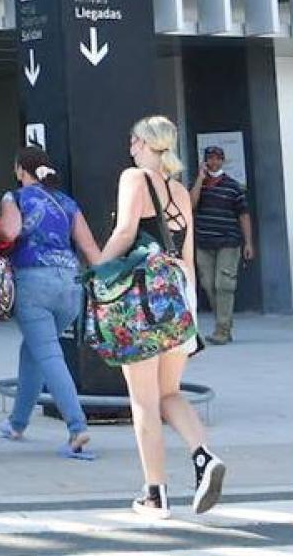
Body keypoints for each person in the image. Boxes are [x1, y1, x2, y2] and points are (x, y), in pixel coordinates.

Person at [98, 116, 226, 519]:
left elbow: (124, 233)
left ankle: (155, 495)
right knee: (170, 392)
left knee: (143, 400)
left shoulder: (134, 178)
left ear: (139, 142)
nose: (130, 148)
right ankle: (203, 455)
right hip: (178, 295)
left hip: (142, 297)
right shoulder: (179, 192)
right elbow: (187, 259)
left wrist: (94, 270)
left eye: (132, 141)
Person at [0, 146, 101, 460]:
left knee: (49, 354)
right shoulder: (67, 201)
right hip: (70, 285)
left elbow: (10, 231)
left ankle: (76, 427)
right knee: (34, 350)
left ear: (19, 170)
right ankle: (17, 423)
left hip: (34, 283)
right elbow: (90, 248)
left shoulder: (14, 197)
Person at [189, 145, 254, 345]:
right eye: (210, 158)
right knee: (208, 285)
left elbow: (243, 215)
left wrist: (248, 243)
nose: (213, 162)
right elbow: (190, 204)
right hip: (204, 243)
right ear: (205, 161)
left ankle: (222, 330)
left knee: (223, 285)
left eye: (217, 159)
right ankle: (223, 324)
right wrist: (200, 179)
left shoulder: (234, 186)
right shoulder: (199, 184)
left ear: (223, 161)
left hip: (229, 242)